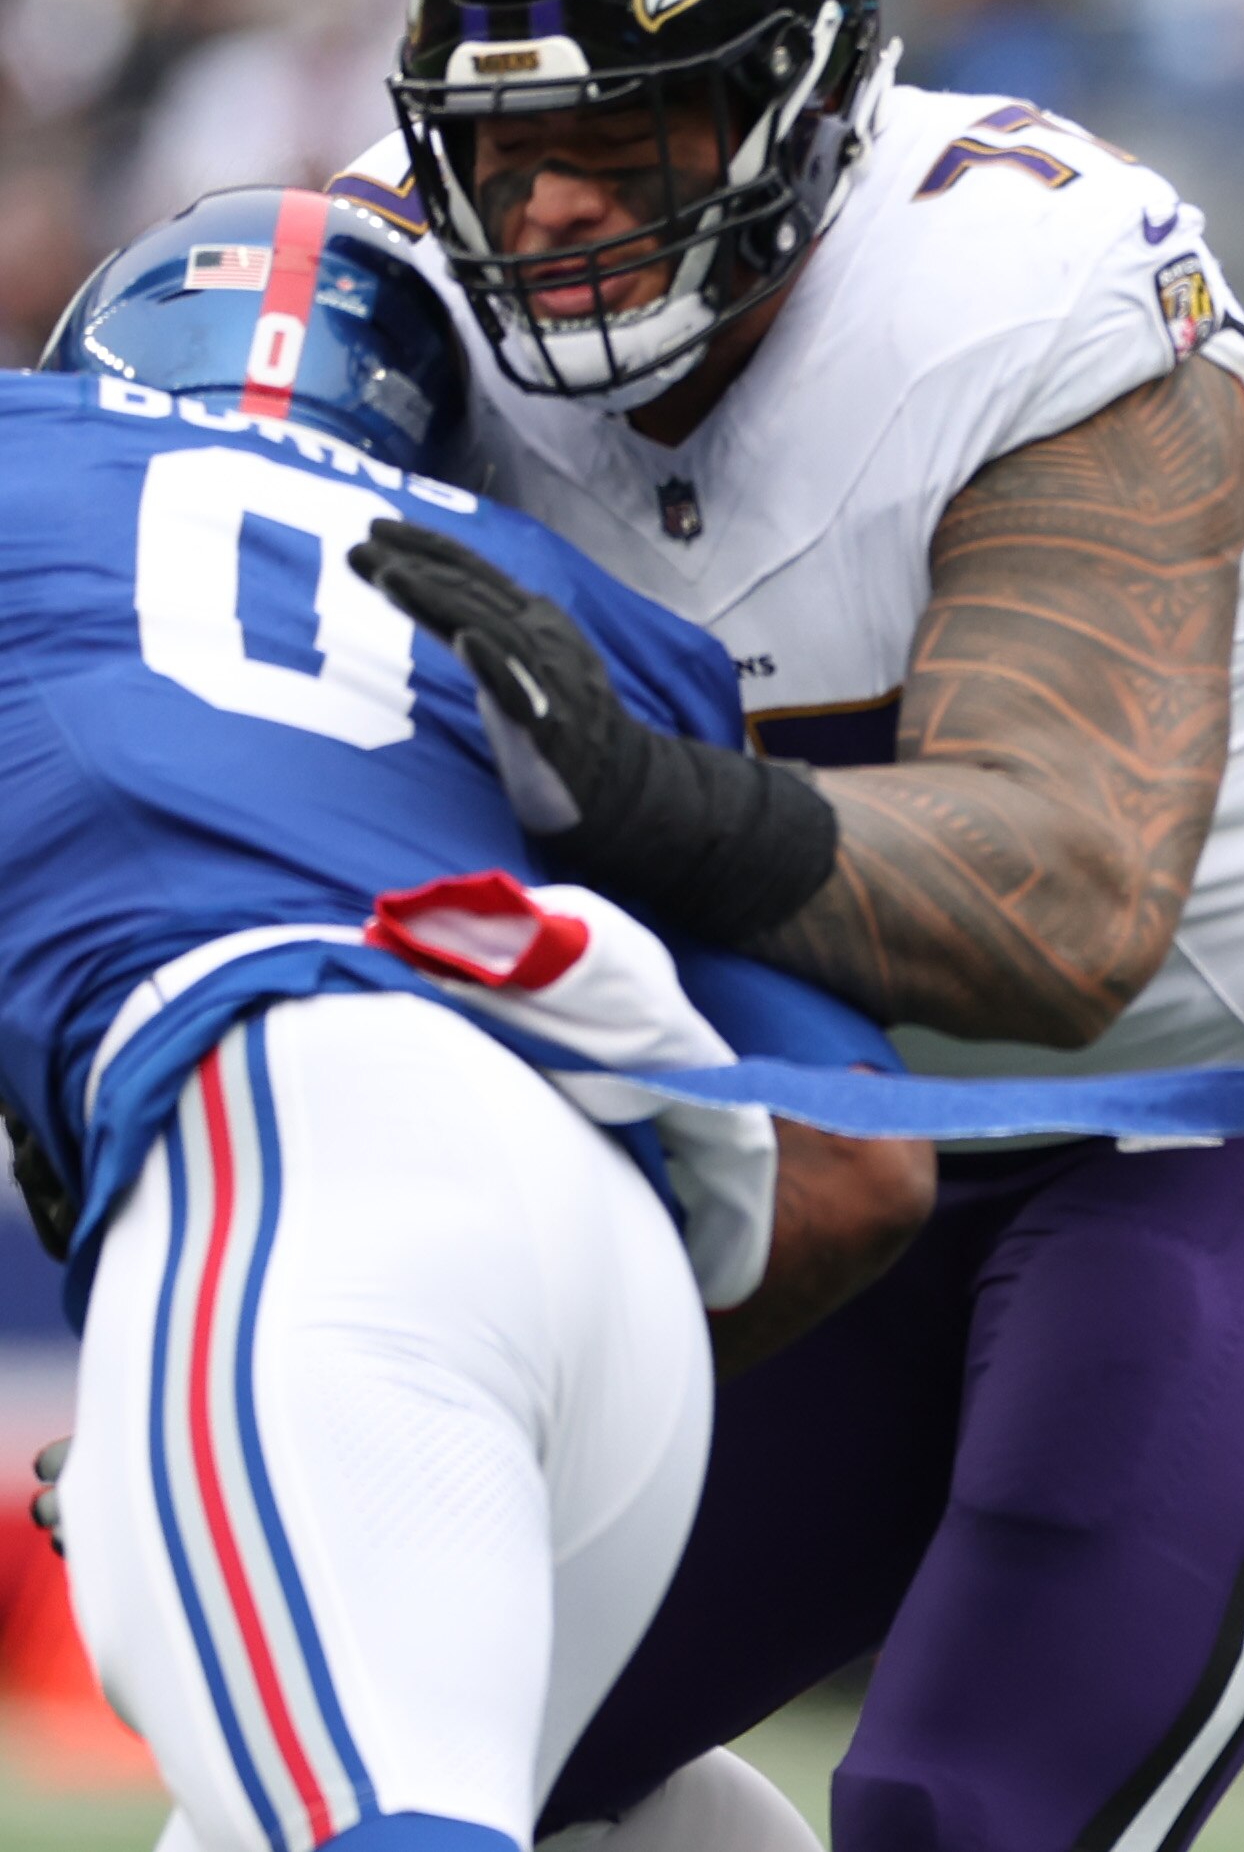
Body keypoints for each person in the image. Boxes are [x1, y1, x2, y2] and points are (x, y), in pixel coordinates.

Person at [325, 0, 1244, 1852]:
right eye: (501, 147)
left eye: (621, 135)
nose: (548, 209)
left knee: (966, 1808)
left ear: (800, 105)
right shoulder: (377, 313)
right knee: (375, 1735)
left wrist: (644, 796)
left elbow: (1062, 895)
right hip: (861, 1114)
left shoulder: (1023, 293)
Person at [10, 185, 928, 1852]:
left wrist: (361, 1370)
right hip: (617, 1281)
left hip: (299, 1140)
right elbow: (859, 1174)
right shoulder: (576, 612)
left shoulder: (29, 460)